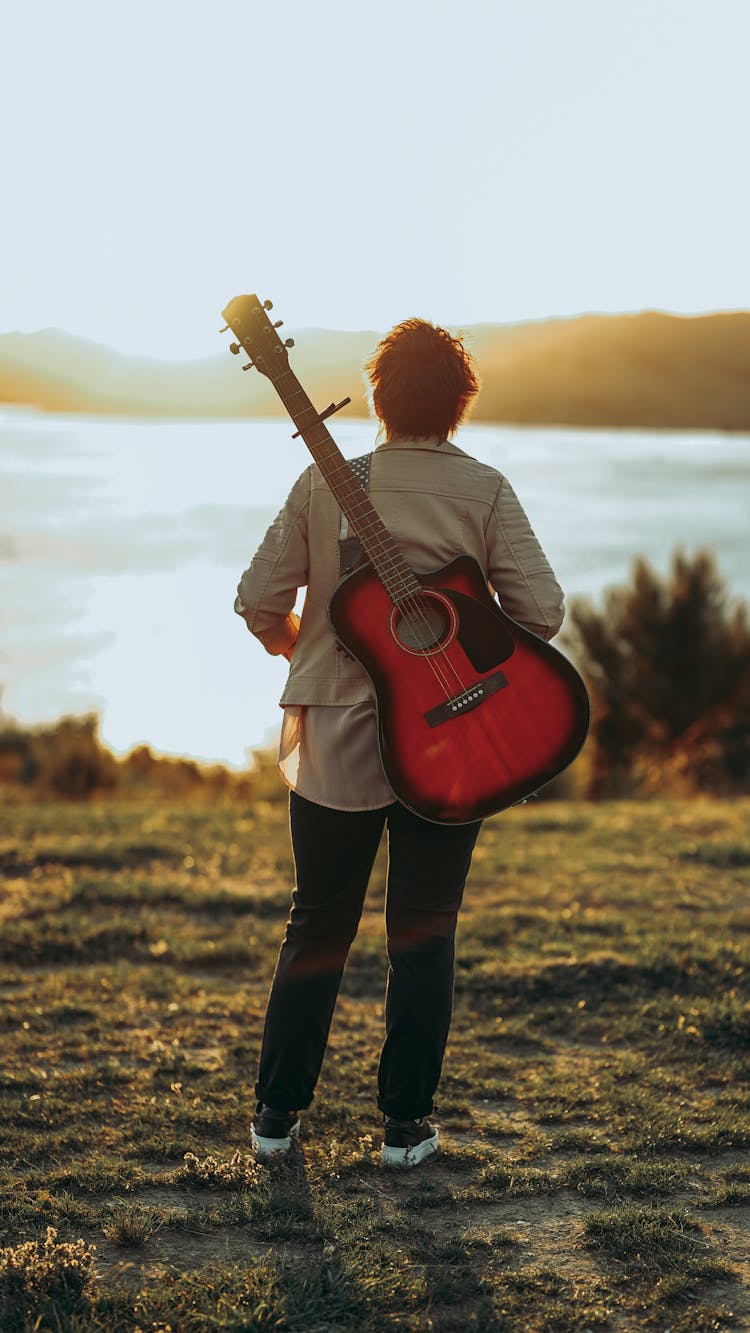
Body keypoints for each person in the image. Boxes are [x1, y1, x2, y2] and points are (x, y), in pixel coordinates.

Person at [234, 318, 564, 1167]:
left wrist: (304, 644)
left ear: (376, 398)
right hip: (456, 733)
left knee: (318, 922)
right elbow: (543, 613)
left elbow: (258, 598)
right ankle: (404, 1126)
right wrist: (453, 656)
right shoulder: (484, 489)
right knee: (425, 925)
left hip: (335, 733)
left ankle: (276, 1116)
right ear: (460, 403)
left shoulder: (325, 481)